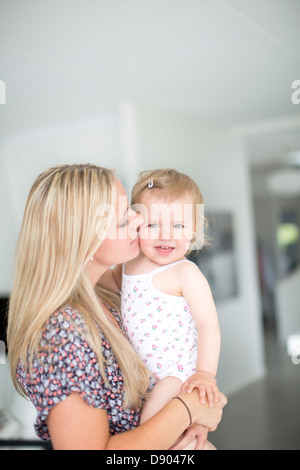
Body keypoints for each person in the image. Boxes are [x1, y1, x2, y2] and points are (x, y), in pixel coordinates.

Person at [7, 164, 226, 450]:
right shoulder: (62, 335)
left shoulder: (107, 299)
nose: (139, 220)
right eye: (124, 218)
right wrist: (188, 408)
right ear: (83, 239)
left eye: (132, 211)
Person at [102, 169, 221, 449]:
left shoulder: (185, 273)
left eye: (178, 226)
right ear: (137, 225)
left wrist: (205, 374)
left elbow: (208, 326)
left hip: (176, 374)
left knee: (153, 430)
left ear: (193, 229)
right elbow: (104, 283)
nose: (165, 236)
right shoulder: (128, 266)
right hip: (147, 377)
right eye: (154, 225)